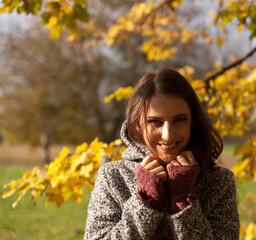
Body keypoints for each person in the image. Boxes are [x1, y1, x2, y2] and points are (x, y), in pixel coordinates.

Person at [84, 69, 240, 239]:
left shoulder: (219, 181)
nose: (168, 135)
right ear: (137, 125)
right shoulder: (112, 177)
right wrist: (145, 201)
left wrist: (183, 201)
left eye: (179, 120)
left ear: (192, 121)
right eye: (155, 122)